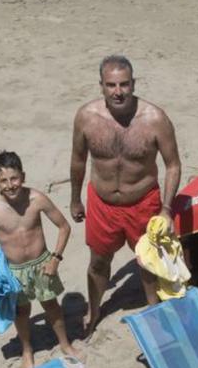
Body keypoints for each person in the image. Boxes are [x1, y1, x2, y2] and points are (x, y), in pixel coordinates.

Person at [69, 54, 182, 336]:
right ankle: (94, 311)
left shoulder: (155, 119)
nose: (117, 92)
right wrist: (74, 198)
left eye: (124, 84)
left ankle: (153, 310)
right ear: (101, 86)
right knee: (98, 261)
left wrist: (166, 209)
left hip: (143, 202)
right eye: (111, 85)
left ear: (134, 84)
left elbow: (173, 165)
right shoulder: (87, 117)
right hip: (102, 203)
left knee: (147, 261)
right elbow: (78, 159)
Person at [0, 150, 80, 368]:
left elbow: (64, 227)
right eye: (3, 180)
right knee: (21, 312)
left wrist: (55, 259)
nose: (10, 185)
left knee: (51, 305)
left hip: (43, 264)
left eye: (14, 178)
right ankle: (27, 349)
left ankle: (64, 344)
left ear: (22, 176)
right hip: (13, 271)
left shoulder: (37, 199)